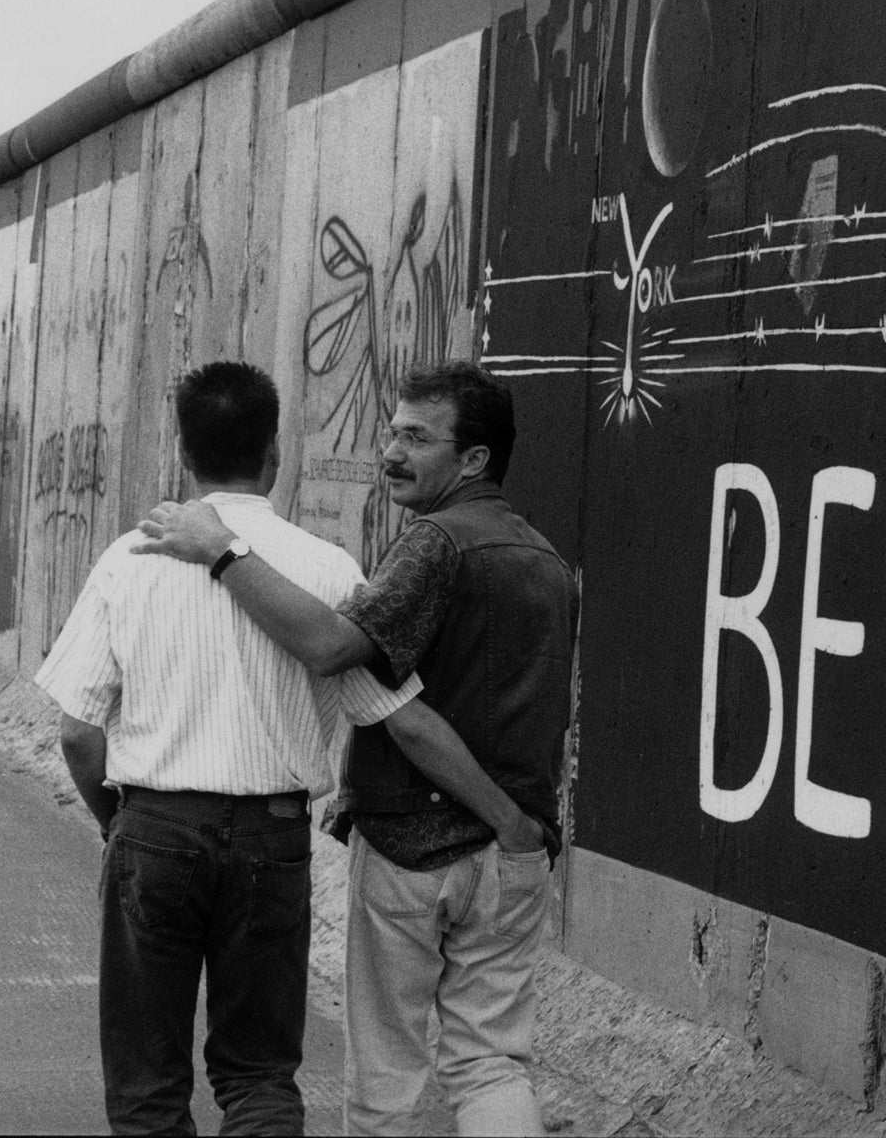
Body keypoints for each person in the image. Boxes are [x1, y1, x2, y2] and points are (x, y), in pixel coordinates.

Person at [134, 361, 577, 1137]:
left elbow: (339, 652)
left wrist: (223, 553)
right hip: (516, 854)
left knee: (387, 1075)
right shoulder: (546, 561)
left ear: (473, 460)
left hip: (415, 848)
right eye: (390, 430)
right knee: (490, 1063)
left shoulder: (436, 543)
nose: (390, 450)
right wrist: (516, 828)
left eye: (415, 436)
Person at [35, 361, 420, 1135]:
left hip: (155, 825)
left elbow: (78, 731)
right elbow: (387, 712)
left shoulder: (129, 560)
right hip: (272, 838)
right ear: (275, 452)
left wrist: (119, 825)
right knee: (258, 1075)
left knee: (147, 1081)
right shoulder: (326, 567)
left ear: (183, 451)